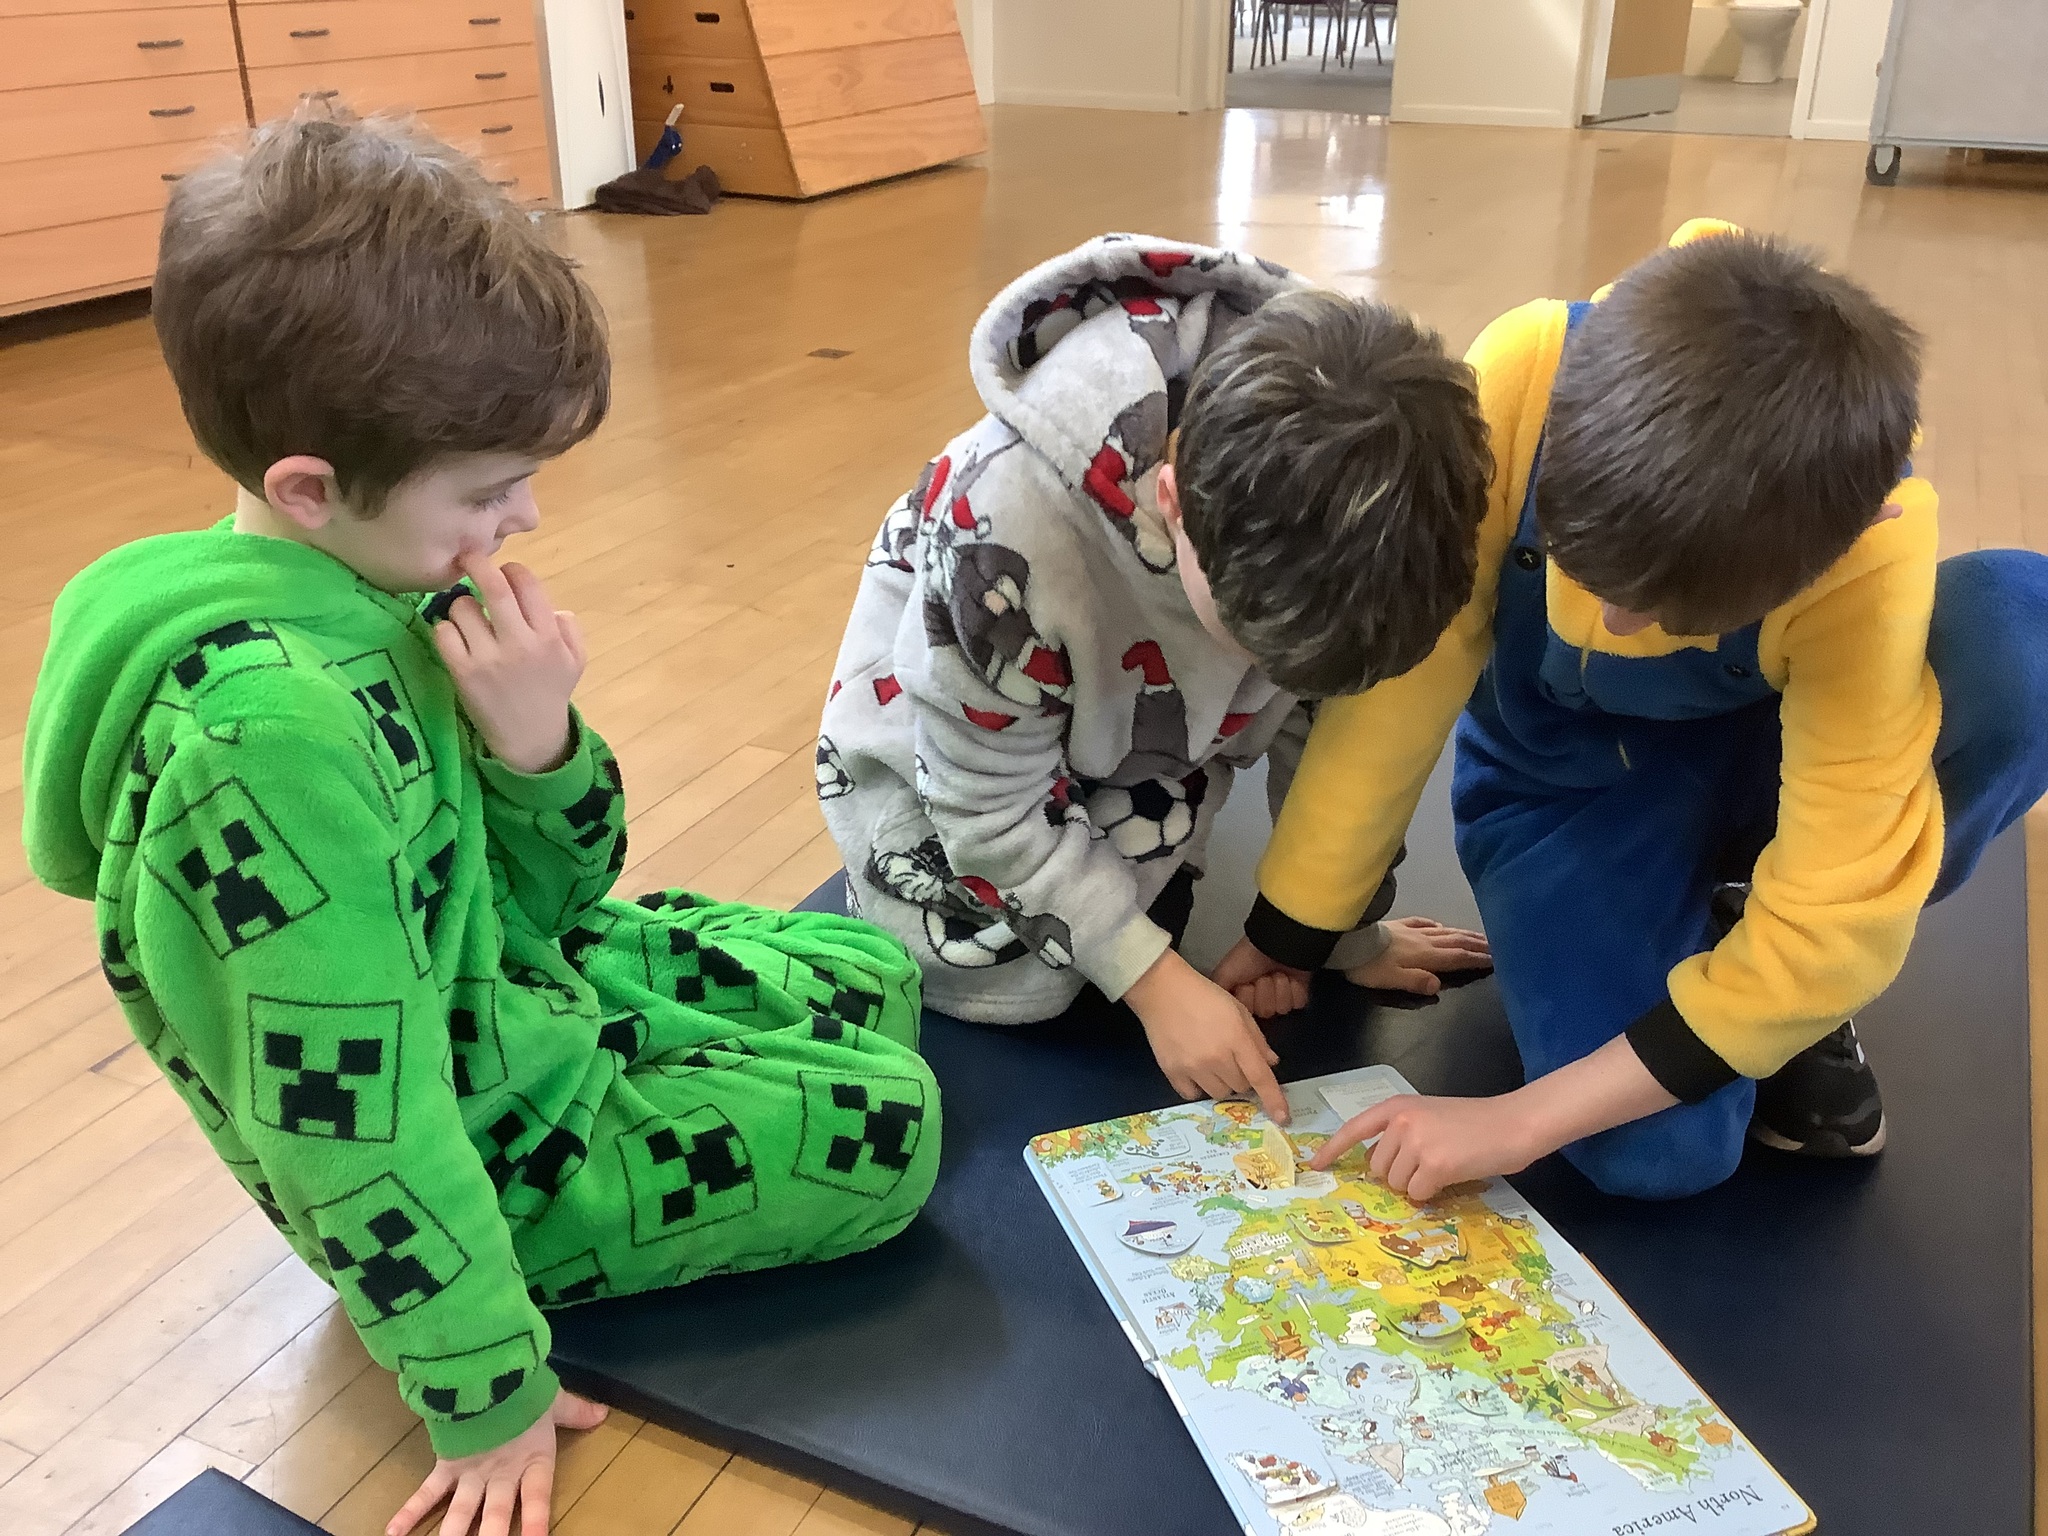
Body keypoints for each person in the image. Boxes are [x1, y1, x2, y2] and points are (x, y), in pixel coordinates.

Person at [21, 112, 941, 1536]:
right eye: (487, 490)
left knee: (875, 973)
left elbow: (559, 897)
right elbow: (349, 1130)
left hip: (508, 986)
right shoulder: (265, 750)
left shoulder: (376, 578)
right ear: (310, 489)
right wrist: (484, 1387)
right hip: (470, 1145)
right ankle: (501, 1276)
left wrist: (537, 749)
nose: (522, 521)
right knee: (891, 1126)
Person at [1210, 221, 2048, 1200]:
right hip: (1566, 789)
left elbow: (1836, 900)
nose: (1612, 624)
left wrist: (1514, 1121)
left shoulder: (1869, 538)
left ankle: (1764, 941)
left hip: (1779, 775)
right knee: (1657, 1158)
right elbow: (1401, 694)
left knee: (2019, 634)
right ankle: (1719, 957)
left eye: (1666, 611)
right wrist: (1294, 929)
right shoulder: (1524, 372)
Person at [817, 235, 1493, 1124]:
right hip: (947, 756)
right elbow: (981, 807)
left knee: (1143, 903)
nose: (1268, 684)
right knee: (1003, 976)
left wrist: (1331, 927)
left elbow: (1328, 737)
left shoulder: (1366, 487)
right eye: (1251, 647)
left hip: (1121, 735)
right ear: (1171, 502)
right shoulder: (1008, 528)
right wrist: (1153, 982)